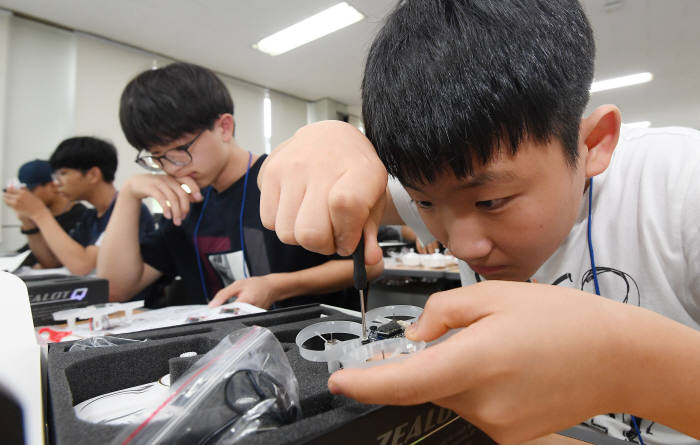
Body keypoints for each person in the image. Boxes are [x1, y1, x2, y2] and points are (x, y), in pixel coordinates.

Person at [255, 0, 700, 443]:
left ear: (594, 144)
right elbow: (353, 191)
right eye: (423, 204)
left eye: (491, 201)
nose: (462, 248)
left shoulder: (683, 186)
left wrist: (625, 364)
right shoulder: (452, 193)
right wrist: (334, 139)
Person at [97, 62, 380, 309]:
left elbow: (371, 264)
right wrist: (130, 195)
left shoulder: (283, 176)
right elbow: (116, 290)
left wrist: (275, 286)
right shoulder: (188, 204)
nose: (171, 168)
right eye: (157, 158)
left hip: (310, 346)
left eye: (179, 150)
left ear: (224, 127)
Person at [3, 137, 154, 276]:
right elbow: (52, 262)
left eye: (63, 173)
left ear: (93, 174)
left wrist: (39, 213)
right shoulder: (90, 217)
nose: (57, 183)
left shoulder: (129, 211)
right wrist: (29, 222)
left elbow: (82, 266)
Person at [3, 159, 86, 268]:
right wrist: (27, 220)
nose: (25, 196)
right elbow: (26, 257)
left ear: (53, 185)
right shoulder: (43, 217)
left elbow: (51, 263)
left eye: (30, 191)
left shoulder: (81, 217)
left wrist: (34, 217)